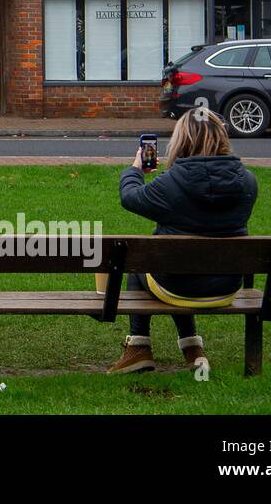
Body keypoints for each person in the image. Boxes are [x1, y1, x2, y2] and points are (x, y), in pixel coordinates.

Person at [107, 109, 258, 374]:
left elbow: (130, 198)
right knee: (177, 262)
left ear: (182, 140)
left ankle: (138, 346)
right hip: (227, 286)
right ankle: (192, 350)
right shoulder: (247, 181)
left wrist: (135, 169)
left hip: (177, 285)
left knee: (139, 261)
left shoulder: (172, 183)